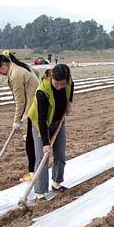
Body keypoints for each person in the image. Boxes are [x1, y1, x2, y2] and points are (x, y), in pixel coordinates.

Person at [0, 50, 40, 182]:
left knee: (30, 142)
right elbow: (37, 73)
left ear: (2, 65)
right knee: (32, 140)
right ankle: (34, 169)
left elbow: (20, 101)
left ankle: (33, 172)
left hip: (33, 109)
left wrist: (17, 121)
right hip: (36, 105)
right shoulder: (21, 66)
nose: (1, 74)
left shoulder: (15, 75)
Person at [28, 64, 74, 199]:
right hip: (40, 124)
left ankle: (56, 183)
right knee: (42, 157)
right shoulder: (42, 92)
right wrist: (46, 143)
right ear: (51, 77)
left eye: (62, 84)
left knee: (60, 154)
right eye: (57, 83)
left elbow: (71, 86)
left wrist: (69, 103)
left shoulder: (68, 81)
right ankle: (40, 192)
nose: (59, 86)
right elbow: (41, 119)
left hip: (58, 122)